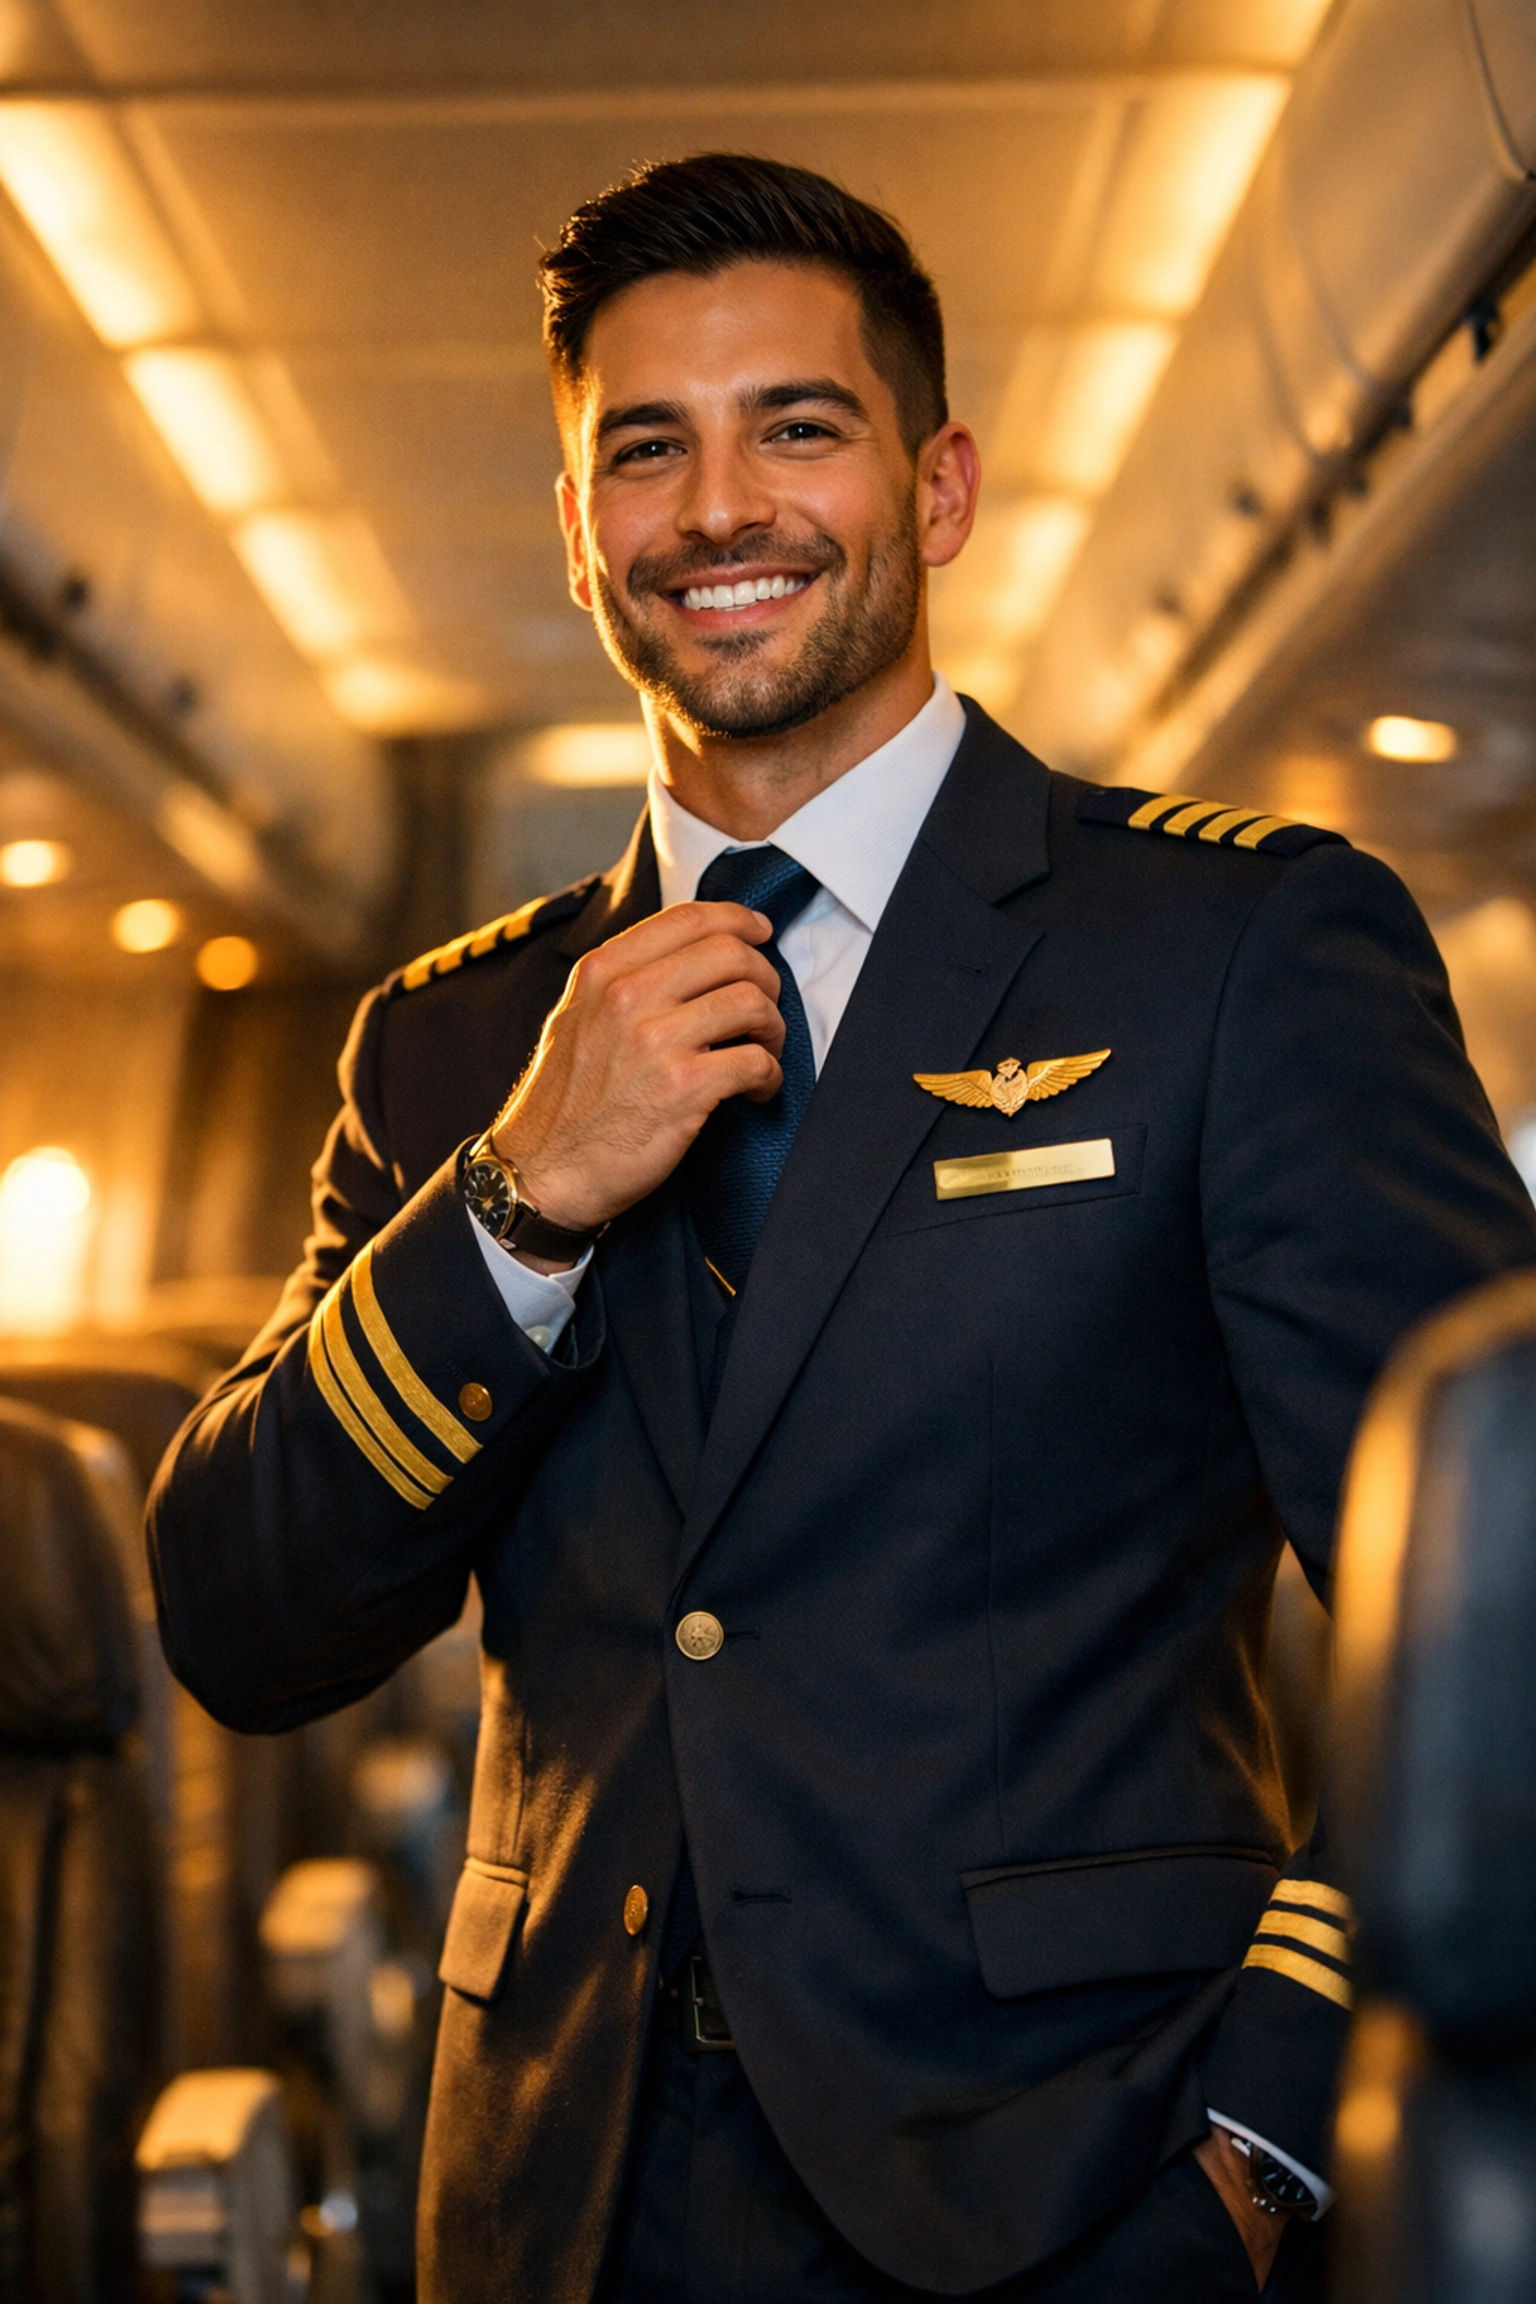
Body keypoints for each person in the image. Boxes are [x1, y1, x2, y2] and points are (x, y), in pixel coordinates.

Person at [148, 155, 1536, 2303]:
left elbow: (1495, 1626)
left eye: (796, 426)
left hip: (1082, 2177)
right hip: (556, 2198)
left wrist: (1263, 2151)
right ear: (580, 525)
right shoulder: (455, 1051)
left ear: (941, 485)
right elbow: (246, 1626)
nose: (720, 509)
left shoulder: (1233, 952)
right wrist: (516, 1205)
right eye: (648, 448)